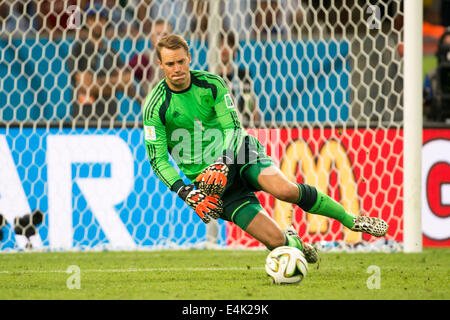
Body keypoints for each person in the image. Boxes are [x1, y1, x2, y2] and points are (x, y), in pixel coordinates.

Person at [142, 34, 389, 263]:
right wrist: (186, 192)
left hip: (239, 154)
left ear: (190, 58)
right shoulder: (155, 107)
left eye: (181, 62)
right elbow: (158, 160)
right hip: (209, 182)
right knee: (275, 241)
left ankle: (352, 220)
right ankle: (294, 241)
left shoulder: (211, 84)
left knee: (285, 190)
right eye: (170, 64)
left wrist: (223, 162)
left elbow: (234, 129)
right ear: (161, 65)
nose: (177, 69)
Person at [67, 3, 135, 125]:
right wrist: (115, 84)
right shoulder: (78, 50)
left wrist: (97, 83)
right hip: (83, 121)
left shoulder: (111, 52)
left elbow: (127, 81)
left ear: (106, 23)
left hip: (109, 120)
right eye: (93, 18)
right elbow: (86, 87)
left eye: (101, 19)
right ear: (87, 22)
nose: (98, 22)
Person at [218, 32, 260, 128]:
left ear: (235, 51)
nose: (224, 49)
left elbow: (252, 103)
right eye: (221, 45)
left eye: (228, 45)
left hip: (244, 126)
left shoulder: (243, 75)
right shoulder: (210, 76)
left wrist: (257, 126)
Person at [129, 19, 173, 99]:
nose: (162, 38)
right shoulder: (144, 59)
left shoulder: (178, 57)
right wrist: (141, 100)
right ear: (151, 37)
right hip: (155, 106)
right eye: (158, 34)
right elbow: (124, 77)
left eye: (165, 34)